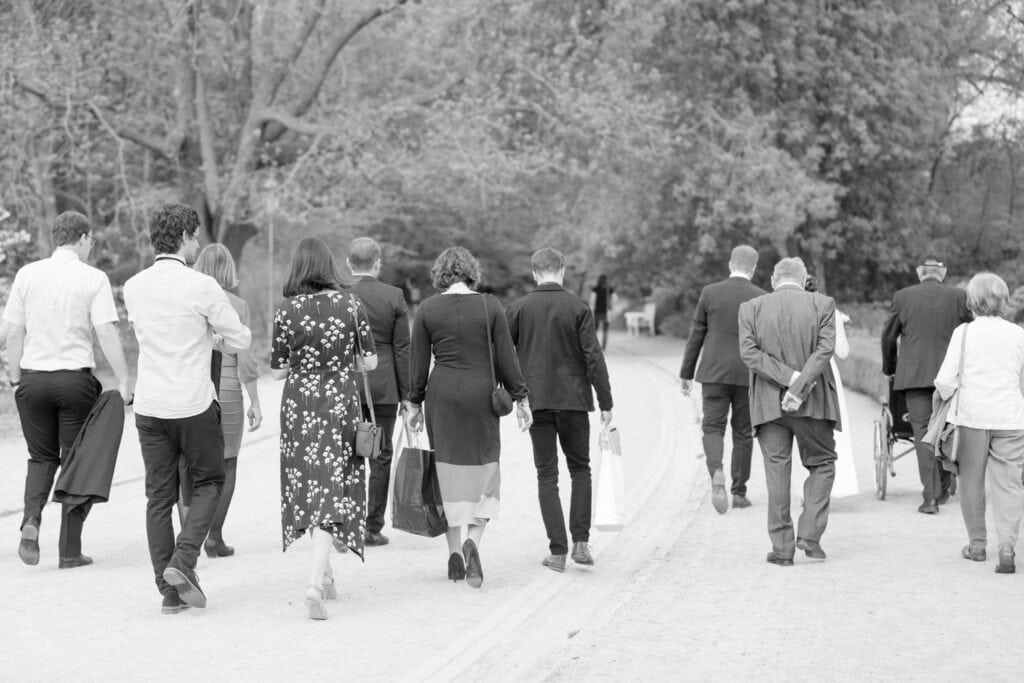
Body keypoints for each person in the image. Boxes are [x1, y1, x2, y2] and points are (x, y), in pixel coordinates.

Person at [124, 203, 252, 615]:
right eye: (195, 236)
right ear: (182, 237)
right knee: (210, 481)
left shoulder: (133, 286)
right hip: (193, 403)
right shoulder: (201, 286)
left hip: (150, 404)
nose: (197, 243)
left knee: (158, 497)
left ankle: (169, 591)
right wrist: (221, 337)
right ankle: (184, 560)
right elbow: (240, 339)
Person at [4, 211, 131, 569]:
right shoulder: (93, 277)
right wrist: (123, 379)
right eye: (91, 240)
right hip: (75, 382)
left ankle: (31, 520)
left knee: (41, 457)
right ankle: (69, 551)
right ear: (83, 238)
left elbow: (13, 331)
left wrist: (16, 380)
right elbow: (105, 331)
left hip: (33, 379)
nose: (92, 246)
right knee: (77, 461)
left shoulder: (27, 274)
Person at [406, 247, 531, 588]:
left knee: (447, 470)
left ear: (441, 274)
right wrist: (521, 397)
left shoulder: (428, 309)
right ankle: (473, 540)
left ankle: (454, 556)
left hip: (442, 395)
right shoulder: (490, 306)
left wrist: (414, 404)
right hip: (481, 394)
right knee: (485, 467)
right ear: (471, 272)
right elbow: (507, 355)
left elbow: (417, 365)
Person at [270, 237, 378, 621]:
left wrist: (303, 363)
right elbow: (370, 361)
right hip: (338, 402)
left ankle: (327, 577)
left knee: (310, 484)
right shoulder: (350, 304)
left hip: (299, 404)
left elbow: (278, 369)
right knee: (332, 485)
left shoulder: (286, 310)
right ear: (328, 265)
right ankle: (316, 584)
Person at [506, 248, 613, 573]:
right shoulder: (578, 307)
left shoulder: (519, 308)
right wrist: (606, 402)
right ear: (562, 271)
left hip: (537, 400)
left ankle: (557, 552)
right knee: (580, 469)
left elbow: (505, 355)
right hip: (574, 400)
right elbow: (593, 356)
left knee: (547, 474)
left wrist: (516, 396)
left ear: (535, 273)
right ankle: (581, 541)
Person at [738, 257, 840, 566]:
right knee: (822, 463)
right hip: (814, 402)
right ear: (805, 277)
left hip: (768, 405)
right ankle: (809, 534)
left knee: (777, 473)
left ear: (772, 279)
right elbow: (825, 349)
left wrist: (787, 380)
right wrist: (799, 384)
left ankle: (782, 549)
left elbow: (749, 353)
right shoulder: (823, 304)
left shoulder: (751, 308)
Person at [933, 273, 1024, 574]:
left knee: (970, 481)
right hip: (1011, 418)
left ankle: (977, 544)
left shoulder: (964, 333)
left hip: (972, 418)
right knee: (1008, 484)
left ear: (972, 300)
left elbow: (945, 380)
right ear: (1003, 300)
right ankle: (1007, 547)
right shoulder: (1017, 334)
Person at [679, 245, 765, 514]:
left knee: (713, 428)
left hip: (713, 373)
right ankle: (739, 492)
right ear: (753, 268)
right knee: (743, 433)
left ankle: (716, 470)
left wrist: (686, 373)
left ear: (730, 264)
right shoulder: (762, 297)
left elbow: (696, 335)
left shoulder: (710, 292)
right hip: (747, 374)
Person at [881, 255, 970, 514]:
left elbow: (888, 337)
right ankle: (943, 485)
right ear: (942, 273)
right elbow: (969, 335)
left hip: (915, 378)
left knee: (922, 434)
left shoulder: (903, 297)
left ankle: (931, 497)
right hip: (950, 379)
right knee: (947, 430)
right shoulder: (959, 297)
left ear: (920, 273)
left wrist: (890, 368)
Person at [192, 244, 263, 557]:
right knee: (228, 461)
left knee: (194, 462)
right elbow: (245, 359)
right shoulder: (237, 305)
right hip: (229, 389)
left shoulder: (189, 301)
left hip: (195, 386)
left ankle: (192, 532)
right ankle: (215, 536)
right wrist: (255, 402)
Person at [345, 237, 410, 547]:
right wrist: (408, 393)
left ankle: (346, 521)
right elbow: (402, 349)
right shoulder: (394, 297)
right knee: (380, 456)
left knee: (347, 454)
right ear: (378, 263)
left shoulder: (341, 297)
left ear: (348, 264)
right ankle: (372, 527)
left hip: (346, 386)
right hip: (384, 386)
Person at [803, 276, 858, 498]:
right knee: (832, 427)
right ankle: (831, 485)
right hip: (826, 370)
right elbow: (842, 351)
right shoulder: (830, 309)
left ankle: (804, 488)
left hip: (799, 369)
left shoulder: (793, 307)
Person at [590, 274, 614, 350]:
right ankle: (604, 347)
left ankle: (595, 346)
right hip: (606, 312)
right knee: (605, 330)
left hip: (597, 311)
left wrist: (592, 309)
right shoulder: (610, 289)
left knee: (595, 330)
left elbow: (592, 300)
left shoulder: (595, 289)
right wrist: (611, 305)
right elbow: (616, 298)